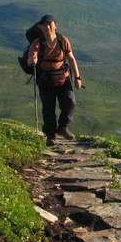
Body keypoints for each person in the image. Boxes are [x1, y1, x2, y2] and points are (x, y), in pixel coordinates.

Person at [27, 14, 82, 145]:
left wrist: (77, 77)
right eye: (44, 25)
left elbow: (71, 59)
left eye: (50, 25)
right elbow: (30, 60)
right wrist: (32, 60)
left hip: (63, 77)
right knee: (48, 107)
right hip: (45, 79)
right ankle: (50, 135)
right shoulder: (37, 43)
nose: (47, 27)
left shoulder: (63, 40)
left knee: (70, 102)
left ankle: (63, 127)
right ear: (40, 27)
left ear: (55, 25)